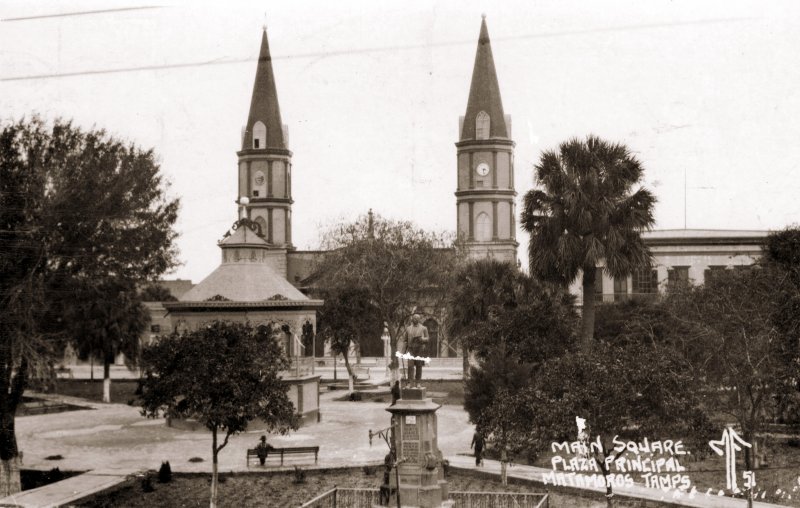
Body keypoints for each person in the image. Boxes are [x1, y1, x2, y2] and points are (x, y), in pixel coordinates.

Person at [403, 314, 429, 388]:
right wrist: (403, 352)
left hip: (419, 349)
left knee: (418, 366)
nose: (415, 319)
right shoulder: (408, 328)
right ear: (412, 319)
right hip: (410, 349)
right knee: (410, 366)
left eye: (417, 318)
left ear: (419, 319)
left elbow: (428, 338)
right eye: (414, 318)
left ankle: (418, 382)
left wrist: (422, 339)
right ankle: (409, 383)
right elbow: (405, 340)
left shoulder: (424, 328)